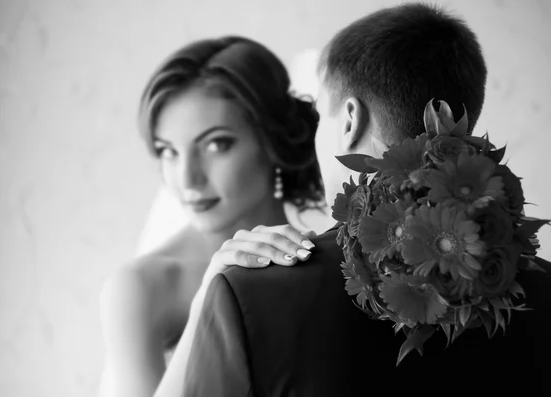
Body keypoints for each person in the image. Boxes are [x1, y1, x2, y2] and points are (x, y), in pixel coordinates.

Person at [158, 4, 551, 396]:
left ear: (349, 120)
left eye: (318, 113)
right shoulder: (542, 287)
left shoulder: (249, 294)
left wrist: (215, 288)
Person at [97, 36, 326, 396]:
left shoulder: (329, 260)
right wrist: (211, 298)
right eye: (168, 151)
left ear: (274, 141)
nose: (187, 178)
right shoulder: (142, 287)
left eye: (216, 144)